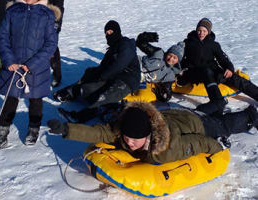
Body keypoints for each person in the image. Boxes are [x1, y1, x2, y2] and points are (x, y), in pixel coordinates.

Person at [48, 101, 258, 164]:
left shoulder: (167, 149)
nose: (129, 143)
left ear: (147, 136)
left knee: (223, 126)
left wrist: (218, 146)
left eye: (134, 139)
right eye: (127, 138)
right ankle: (216, 108)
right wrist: (66, 130)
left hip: (193, 125)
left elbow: (197, 143)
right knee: (209, 116)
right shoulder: (125, 133)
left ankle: (250, 115)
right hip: (171, 116)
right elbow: (98, 133)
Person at [0, 0, 60, 150]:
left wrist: (32, 64)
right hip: (13, 66)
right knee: (10, 99)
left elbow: (51, 44)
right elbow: (2, 36)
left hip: (36, 69)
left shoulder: (47, 15)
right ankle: (2, 131)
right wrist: (9, 59)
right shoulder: (12, 11)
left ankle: (33, 128)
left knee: (35, 100)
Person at [54, 20, 140, 123]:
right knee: (88, 87)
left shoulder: (126, 44)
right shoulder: (111, 50)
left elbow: (119, 64)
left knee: (103, 99)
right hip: (113, 78)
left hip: (128, 80)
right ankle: (68, 93)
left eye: (111, 32)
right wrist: (92, 73)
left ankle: (78, 117)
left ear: (117, 31)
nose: (109, 35)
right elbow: (102, 67)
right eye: (107, 33)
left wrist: (102, 76)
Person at [177, 18, 258, 115]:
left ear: (208, 31)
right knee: (206, 72)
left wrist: (229, 68)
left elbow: (223, 59)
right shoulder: (188, 43)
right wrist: (180, 71)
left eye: (204, 31)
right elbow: (178, 57)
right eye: (199, 30)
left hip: (212, 70)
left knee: (235, 78)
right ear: (196, 30)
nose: (201, 33)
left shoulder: (213, 44)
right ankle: (217, 102)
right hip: (195, 72)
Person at [34, 0, 64, 87]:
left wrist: (57, 22)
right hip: (37, 18)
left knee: (51, 47)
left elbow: (59, 3)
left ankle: (57, 74)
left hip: (51, 19)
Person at [136, 31, 185, 102]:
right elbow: (140, 43)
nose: (171, 58)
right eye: (170, 55)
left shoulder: (170, 75)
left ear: (177, 61)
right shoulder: (158, 53)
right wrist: (146, 37)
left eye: (174, 58)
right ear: (167, 53)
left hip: (140, 79)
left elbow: (167, 91)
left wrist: (164, 96)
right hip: (134, 65)